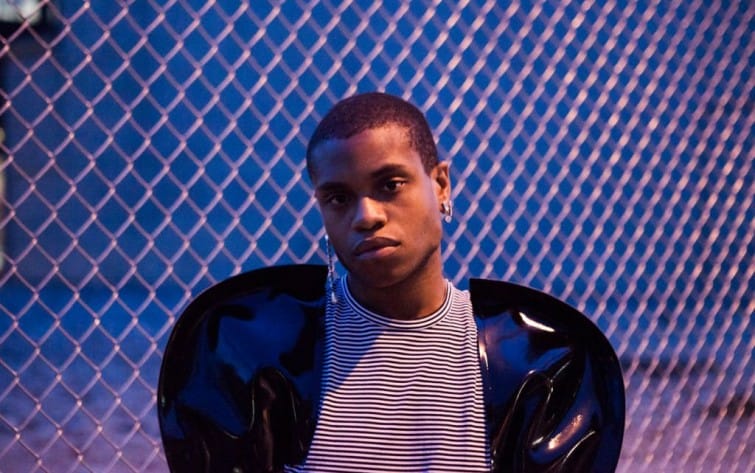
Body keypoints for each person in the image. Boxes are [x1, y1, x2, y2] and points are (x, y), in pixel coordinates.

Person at [158, 92, 625, 472]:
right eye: (338, 198)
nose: (366, 216)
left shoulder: (534, 363)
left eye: (390, 185)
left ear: (441, 185)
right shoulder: (260, 352)